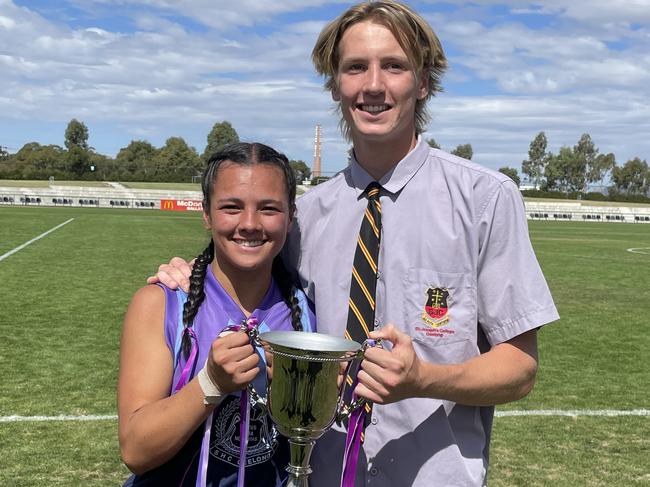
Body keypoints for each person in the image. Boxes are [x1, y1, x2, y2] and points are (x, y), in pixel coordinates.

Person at [151, 2, 559, 486]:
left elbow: (520, 368)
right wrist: (185, 271)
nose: (373, 85)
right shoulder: (304, 217)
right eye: (355, 67)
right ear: (335, 85)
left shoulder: (486, 199)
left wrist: (422, 379)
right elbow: (244, 285)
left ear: (423, 82)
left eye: (394, 65)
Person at [119, 142, 316, 487]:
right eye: (231, 207)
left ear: (290, 216)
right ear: (206, 214)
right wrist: (211, 384)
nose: (250, 223)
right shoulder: (160, 304)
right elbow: (136, 450)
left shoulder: (307, 309)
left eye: (269, 208)